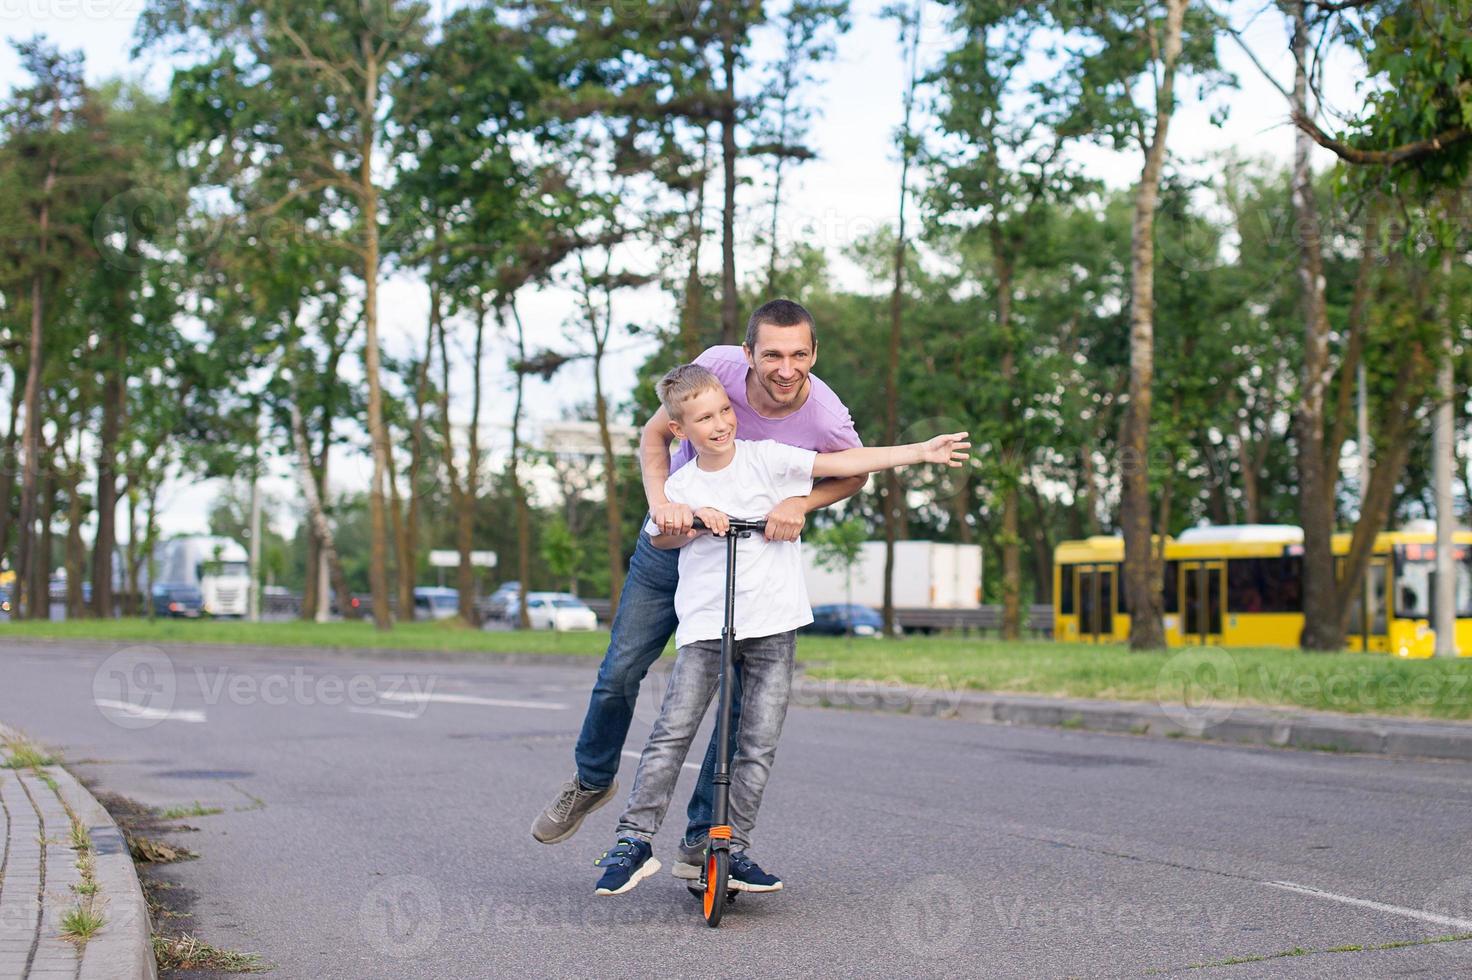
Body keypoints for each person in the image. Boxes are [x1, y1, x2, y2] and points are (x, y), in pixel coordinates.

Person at [593, 363, 969, 895]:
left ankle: (731, 846)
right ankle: (634, 839)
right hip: (706, 631)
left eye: (725, 409)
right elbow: (662, 540)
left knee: (757, 743)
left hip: (773, 628)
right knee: (672, 733)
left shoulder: (768, 459)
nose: (721, 423)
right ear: (680, 430)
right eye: (704, 418)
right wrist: (690, 517)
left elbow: (842, 461)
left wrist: (917, 451)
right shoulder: (680, 486)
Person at [532, 300, 866, 888]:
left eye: (798, 355)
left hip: (736, 561)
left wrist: (799, 503)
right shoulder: (715, 370)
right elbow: (656, 433)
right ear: (747, 355)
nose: (785, 369)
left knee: (735, 706)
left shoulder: (825, 415)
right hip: (673, 545)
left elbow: (854, 472)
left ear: (814, 354)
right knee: (621, 670)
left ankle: (702, 841)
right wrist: (662, 504)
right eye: (772, 355)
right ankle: (591, 780)